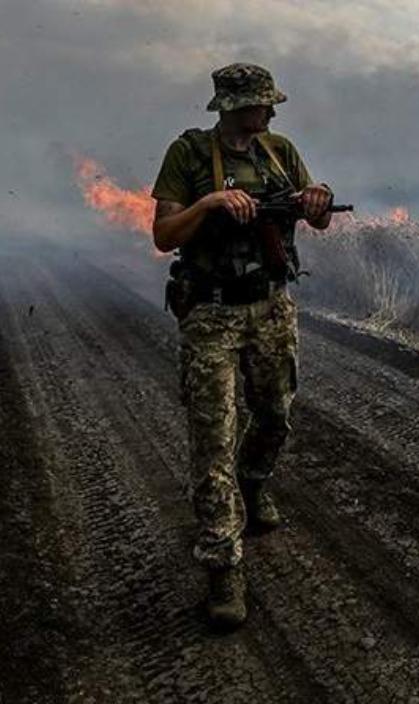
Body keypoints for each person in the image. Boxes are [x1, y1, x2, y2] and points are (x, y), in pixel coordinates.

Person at [149, 63, 333, 630]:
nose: (271, 113)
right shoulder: (189, 156)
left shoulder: (279, 150)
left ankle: (254, 486)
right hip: (211, 312)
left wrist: (316, 201)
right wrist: (209, 205)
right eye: (261, 105)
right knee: (213, 441)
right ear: (232, 106)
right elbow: (163, 235)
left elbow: (315, 218)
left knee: (275, 416)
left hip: (272, 307)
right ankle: (223, 569)